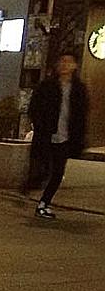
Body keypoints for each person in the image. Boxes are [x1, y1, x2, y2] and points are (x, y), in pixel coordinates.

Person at [27, 51, 88, 219]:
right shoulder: (47, 86)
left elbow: (81, 115)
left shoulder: (78, 89)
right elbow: (34, 108)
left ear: (75, 66)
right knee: (43, 169)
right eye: (62, 61)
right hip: (47, 135)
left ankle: (44, 203)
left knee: (57, 173)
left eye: (69, 62)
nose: (65, 65)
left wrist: (79, 138)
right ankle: (29, 188)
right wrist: (40, 126)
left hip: (65, 137)